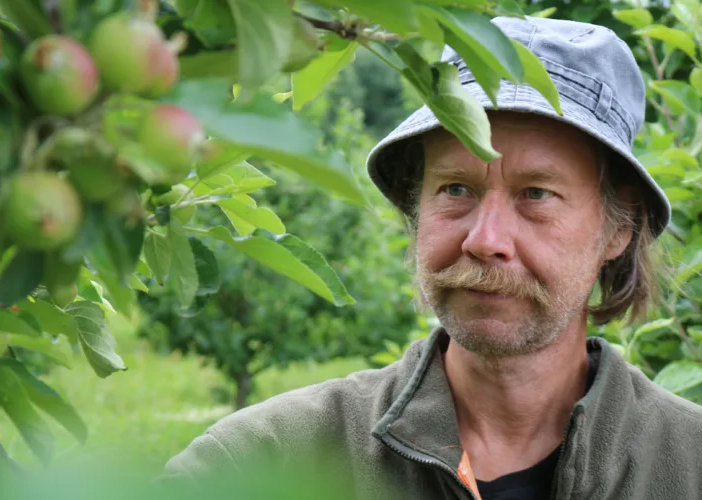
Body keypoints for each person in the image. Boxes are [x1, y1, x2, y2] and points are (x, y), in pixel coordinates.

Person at [162, 15, 702, 500]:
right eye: (455, 189)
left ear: (619, 229)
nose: (484, 239)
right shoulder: (267, 461)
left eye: (536, 194)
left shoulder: (686, 465)